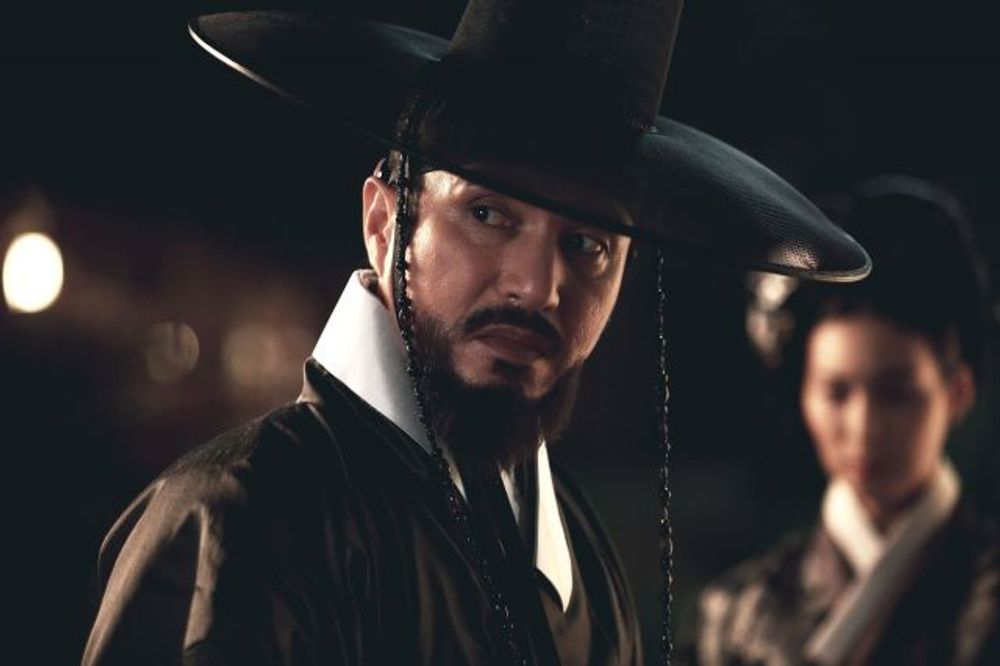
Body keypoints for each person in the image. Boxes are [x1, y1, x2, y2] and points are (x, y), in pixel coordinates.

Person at [81, 2, 870, 664]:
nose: (538, 285)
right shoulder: (243, 517)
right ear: (386, 225)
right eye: (488, 214)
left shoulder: (579, 561)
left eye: (587, 243)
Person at [695, 175, 999, 665]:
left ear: (957, 393)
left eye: (896, 394)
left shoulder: (987, 602)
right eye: (836, 393)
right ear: (804, 394)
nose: (864, 426)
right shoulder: (739, 614)